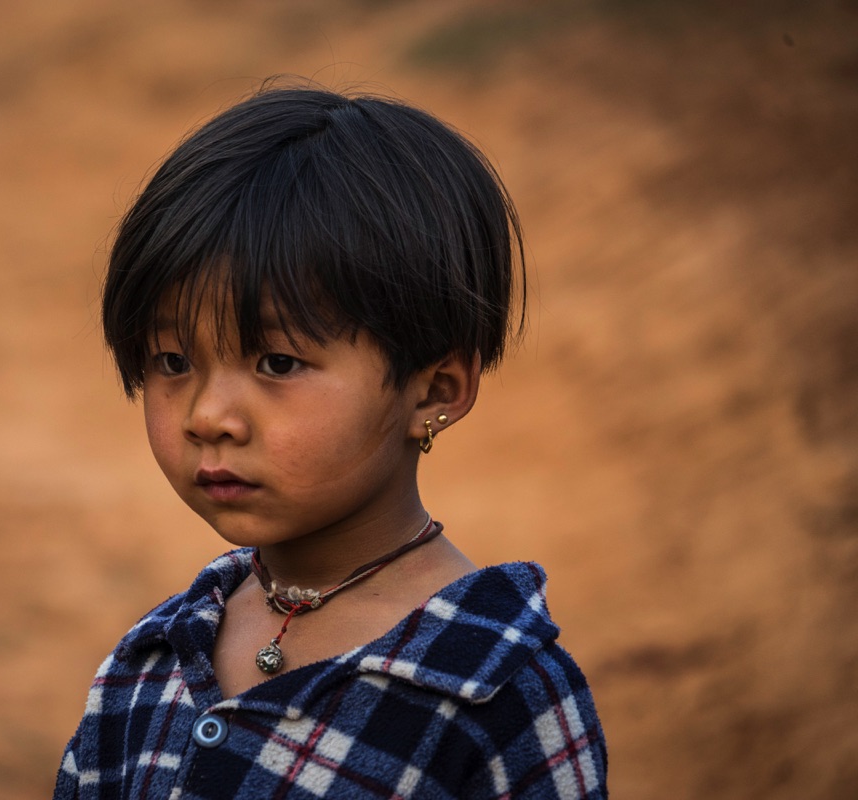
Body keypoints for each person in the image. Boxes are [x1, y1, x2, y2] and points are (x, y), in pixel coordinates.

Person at [54, 81, 607, 799]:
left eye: (278, 363)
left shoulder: (492, 691)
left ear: (435, 390)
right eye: (173, 362)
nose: (208, 415)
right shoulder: (151, 662)